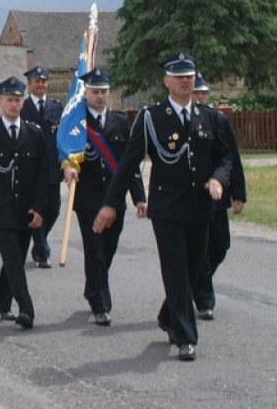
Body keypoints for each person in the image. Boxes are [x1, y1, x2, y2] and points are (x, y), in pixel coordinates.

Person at [93, 54, 232, 361]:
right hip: (167, 208)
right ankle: (186, 337)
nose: (186, 80)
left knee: (195, 270)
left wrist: (218, 179)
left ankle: (169, 316)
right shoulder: (151, 117)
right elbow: (128, 164)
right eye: (179, 76)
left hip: (199, 207)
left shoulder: (208, 117)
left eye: (190, 75)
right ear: (166, 81)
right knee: (176, 271)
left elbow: (225, 158)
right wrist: (110, 205)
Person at [69, 68, 146, 325]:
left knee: (109, 249)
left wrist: (139, 197)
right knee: (95, 251)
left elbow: (129, 164)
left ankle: (93, 287)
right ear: (86, 93)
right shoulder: (76, 123)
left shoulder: (120, 122)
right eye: (95, 92)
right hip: (88, 199)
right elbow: (64, 152)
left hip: (114, 200)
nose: (100, 96)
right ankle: (101, 305)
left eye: (103, 92)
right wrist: (66, 169)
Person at [0, 76, 49, 329]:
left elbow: (42, 175)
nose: (14, 105)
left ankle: (0, 302)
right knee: (14, 259)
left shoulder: (34, 133)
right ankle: (26, 310)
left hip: (25, 210)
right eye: (9, 100)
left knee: (13, 259)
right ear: (0, 102)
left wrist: (39, 207)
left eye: (18, 100)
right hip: (0, 209)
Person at [192, 72, 246, 320]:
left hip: (217, 197)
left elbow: (231, 157)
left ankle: (197, 281)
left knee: (221, 245)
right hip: (194, 197)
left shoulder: (218, 120)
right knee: (200, 250)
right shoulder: (184, 121)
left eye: (204, 93)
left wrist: (238, 193)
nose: (201, 97)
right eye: (196, 93)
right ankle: (205, 299)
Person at [20, 66, 63, 269]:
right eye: (37, 81)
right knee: (36, 209)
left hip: (52, 168)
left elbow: (62, 137)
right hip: (30, 169)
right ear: (29, 84)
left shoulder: (56, 107)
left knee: (53, 209)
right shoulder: (22, 107)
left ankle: (39, 239)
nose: (41, 85)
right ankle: (42, 252)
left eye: (44, 81)